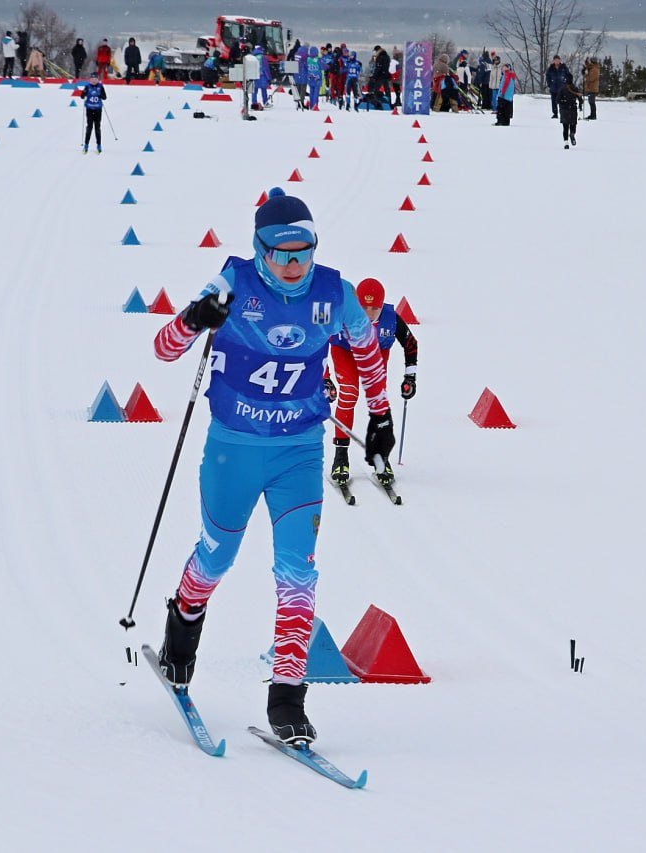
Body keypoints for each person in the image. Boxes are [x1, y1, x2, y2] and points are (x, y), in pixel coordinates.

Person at [151, 187, 395, 745]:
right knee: (217, 556)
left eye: (304, 251)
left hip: (299, 452)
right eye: (281, 253)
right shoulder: (233, 282)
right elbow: (164, 350)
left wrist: (379, 415)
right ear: (259, 249)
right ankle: (181, 634)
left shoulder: (335, 292)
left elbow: (366, 350)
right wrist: (194, 318)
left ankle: (287, 696)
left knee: (298, 574)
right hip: (234, 448)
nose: (293, 265)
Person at [324, 278, 417, 486]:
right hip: (345, 351)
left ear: (382, 306)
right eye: (363, 307)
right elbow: (318, 343)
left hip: (375, 351)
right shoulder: (340, 316)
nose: (368, 313)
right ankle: (341, 456)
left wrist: (410, 376)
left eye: (374, 308)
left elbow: (411, 344)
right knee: (349, 393)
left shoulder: (391, 319)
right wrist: (325, 378)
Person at [81, 70, 107, 154]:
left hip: (98, 110)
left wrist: (100, 94)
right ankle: (86, 144)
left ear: (98, 79)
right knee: (89, 127)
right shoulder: (87, 87)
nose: (94, 80)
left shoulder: (100, 87)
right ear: (90, 80)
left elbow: (104, 97)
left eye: (95, 79)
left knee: (97, 127)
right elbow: (82, 96)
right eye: (92, 79)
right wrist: (84, 93)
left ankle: (99, 145)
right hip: (89, 109)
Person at [557, 72, 583, 148]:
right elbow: (580, 99)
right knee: (573, 125)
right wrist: (580, 104)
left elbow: (557, 100)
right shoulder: (575, 88)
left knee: (565, 127)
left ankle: (566, 142)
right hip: (573, 109)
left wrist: (562, 102)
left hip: (564, 110)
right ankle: (572, 133)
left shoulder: (562, 89)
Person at [494, 61, 518, 126]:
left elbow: (505, 84)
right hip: (509, 97)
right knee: (507, 110)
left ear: (507, 68)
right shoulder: (511, 75)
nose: (503, 68)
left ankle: (500, 121)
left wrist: (502, 92)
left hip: (504, 95)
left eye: (504, 67)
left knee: (501, 109)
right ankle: (506, 122)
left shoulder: (507, 75)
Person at [545, 55, 568, 119]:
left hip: (562, 88)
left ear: (560, 60)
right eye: (555, 60)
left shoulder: (564, 67)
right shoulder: (550, 68)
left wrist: (566, 84)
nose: (557, 61)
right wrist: (549, 84)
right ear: (553, 61)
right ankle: (555, 114)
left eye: (558, 60)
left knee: (562, 101)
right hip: (554, 88)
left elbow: (568, 75)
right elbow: (547, 77)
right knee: (554, 101)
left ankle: (562, 113)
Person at [305, 46, 322, 111]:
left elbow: (306, 67)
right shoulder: (318, 59)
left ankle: (311, 105)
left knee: (311, 93)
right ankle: (315, 106)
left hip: (310, 78)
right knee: (316, 93)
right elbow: (323, 67)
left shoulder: (308, 59)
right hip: (317, 78)